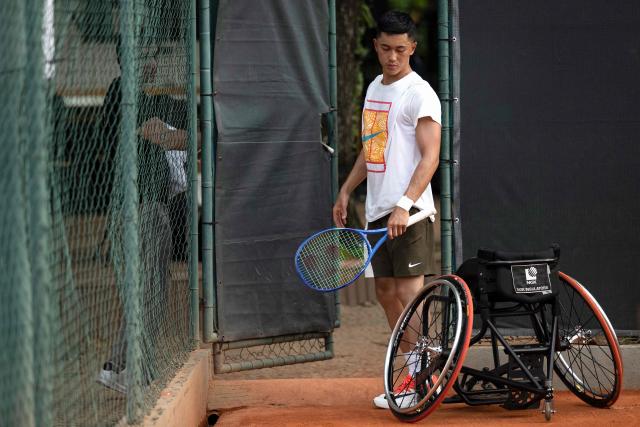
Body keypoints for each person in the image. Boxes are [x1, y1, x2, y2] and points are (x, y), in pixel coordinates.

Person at [332, 11, 441, 409]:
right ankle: (419, 361)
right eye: (385, 48)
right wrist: (347, 190)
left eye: (400, 49)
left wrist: (404, 204)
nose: (392, 56)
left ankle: (416, 374)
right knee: (383, 292)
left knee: (409, 294)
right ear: (376, 46)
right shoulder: (375, 87)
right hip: (378, 210)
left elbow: (430, 157)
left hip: (408, 214)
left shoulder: (420, 93)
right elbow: (372, 149)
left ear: (412, 47)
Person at [97, 39, 191, 393]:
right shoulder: (122, 92)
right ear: (125, 61)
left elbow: (177, 131)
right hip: (140, 207)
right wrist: (192, 136)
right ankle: (127, 368)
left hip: (151, 205)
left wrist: (185, 135)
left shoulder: (147, 95)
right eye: (141, 57)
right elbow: (163, 135)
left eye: (152, 56)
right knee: (148, 291)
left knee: (151, 291)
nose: (150, 64)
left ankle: (118, 366)